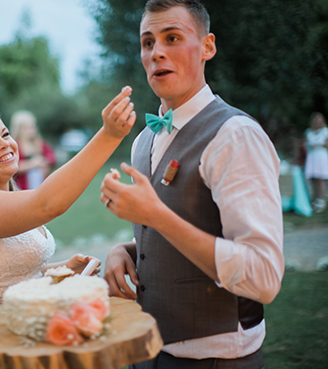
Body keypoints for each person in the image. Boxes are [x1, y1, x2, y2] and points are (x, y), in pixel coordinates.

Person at [100, 1, 283, 368]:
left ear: (207, 47)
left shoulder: (236, 136)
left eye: (172, 38)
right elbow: (188, 225)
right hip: (148, 348)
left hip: (217, 358)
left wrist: (158, 216)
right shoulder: (142, 143)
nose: (157, 53)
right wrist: (127, 249)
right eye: (148, 42)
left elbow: (263, 276)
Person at [0, 86, 135, 306]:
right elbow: (48, 204)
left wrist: (61, 270)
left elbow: (15, 277)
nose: (5, 143)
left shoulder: (12, 197)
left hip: (28, 325)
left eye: (5, 134)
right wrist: (109, 135)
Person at [10, 110, 57, 190]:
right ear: (18, 129)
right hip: (23, 187)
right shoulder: (15, 145)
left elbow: (52, 158)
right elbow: (12, 167)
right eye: (26, 128)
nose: (30, 131)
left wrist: (45, 163)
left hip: (40, 184)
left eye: (32, 127)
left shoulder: (39, 143)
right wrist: (32, 164)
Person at [304, 112, 328, 213]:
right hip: (312, 157)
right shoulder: (308, 132)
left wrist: (318, 146)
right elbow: (306, 145)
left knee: (321, 179)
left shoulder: (325, 131)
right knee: (314, 179)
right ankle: (315, 199)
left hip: (321, 157)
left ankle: (322, 200)